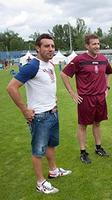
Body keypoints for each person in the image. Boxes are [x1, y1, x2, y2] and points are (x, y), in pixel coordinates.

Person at [6, 33, 71, 194]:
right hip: (39, 117)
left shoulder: (49, 64)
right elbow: (11, 87)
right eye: (46, 46)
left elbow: (45, 85)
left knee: (51, 145)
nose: (51, 49)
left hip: (52, 112)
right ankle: (40, 182)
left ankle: (53, 170)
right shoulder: (32, 66)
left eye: (52, 46)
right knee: (38, 151)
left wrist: (53, 98)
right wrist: (24, 109)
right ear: (38, 48)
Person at [60, 34, 112, 164]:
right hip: (85, 98)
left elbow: (109, 72)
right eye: (94, 44)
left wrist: (107, 88)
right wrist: (72, 92)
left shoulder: (103, 59)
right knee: (83, 125)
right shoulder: (79, 59)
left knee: (97, 123)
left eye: (98, 43)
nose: (97, 46)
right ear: (87, 46)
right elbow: (64, 74)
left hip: (100, 98)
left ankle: (98, 148)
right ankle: (83, 152)